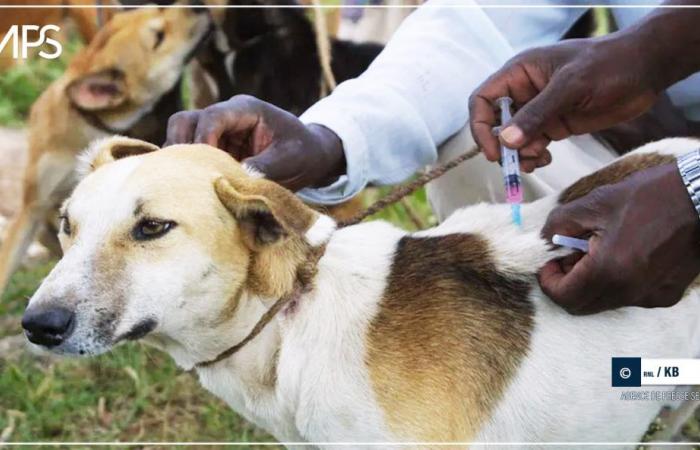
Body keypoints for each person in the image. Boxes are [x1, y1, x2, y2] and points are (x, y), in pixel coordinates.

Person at [165, 0, 700, 314]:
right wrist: (331, 140)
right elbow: (477, 23)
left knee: (656, 373)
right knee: (480, 148)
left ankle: (665, 377)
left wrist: (691, 192)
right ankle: (601, 372)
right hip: (653, 132)